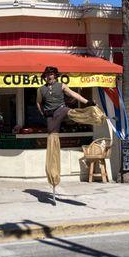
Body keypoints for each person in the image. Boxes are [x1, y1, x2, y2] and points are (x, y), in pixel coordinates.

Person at [36, 66, 95, 197]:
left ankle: (95, 116)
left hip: (61, 109)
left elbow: (74, 94)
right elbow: (38, 103)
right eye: (47, 75)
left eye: (51, 75)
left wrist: (87, 101)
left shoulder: (61, 85)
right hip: (50, 115)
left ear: (55, 76)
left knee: (72, 112)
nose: (49, 77)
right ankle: (53, 176)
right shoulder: (41, 89)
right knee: (52, 138)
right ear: (44, 77)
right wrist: (42, 113)